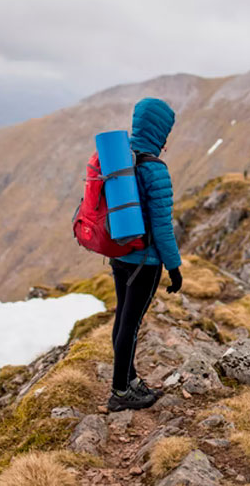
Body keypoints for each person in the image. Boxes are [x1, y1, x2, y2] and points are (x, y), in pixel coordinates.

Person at [106, 97, 183, 412]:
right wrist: (174, 268)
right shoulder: (155, 170)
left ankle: (129, 379)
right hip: (145, 263)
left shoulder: (120, 161)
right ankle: (121, 392)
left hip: (120, 255)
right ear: (159, 131)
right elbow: (163, 228)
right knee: (131, 325)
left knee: (123, 319)